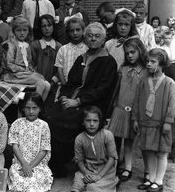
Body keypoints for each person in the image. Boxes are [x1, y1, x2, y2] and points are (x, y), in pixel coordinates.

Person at [43, 22, 117, 177]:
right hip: (71, 101)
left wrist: (77, 102)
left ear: (103, 40)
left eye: (97, 36)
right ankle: (49, 159)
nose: (93, 39)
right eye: (90, 36)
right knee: (46, 115)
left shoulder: (108, 61)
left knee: (56, 122)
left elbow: (101, 91)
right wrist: (63, 96)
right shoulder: (81, 58)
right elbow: (69, 83)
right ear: (85, 38)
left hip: (92, 106)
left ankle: (58, 162)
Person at [133, 48, 175, 192]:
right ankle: (150, 178)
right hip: (146, 122)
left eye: (153, 61)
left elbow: (172, 104)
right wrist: (135, 119)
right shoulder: (143, 81)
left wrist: (168, 122)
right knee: (148, 151)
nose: (149, 64)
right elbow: (137, 101)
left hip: (161, 123)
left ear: (161, 63)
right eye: (147, 61)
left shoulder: (169, 83)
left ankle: (159, 180)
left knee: (161, 152)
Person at [107, 38, 148, 182]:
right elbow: (117, 90)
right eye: (127, 53)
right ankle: (120, 165)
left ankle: (138, 168)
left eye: (133, 52)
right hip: (121, 109)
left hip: (136, 112)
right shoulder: (123, 69)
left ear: (141, 51)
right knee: (119, 138)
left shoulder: (145, 71)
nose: (130, 55)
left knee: (134, 141)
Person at [8, 93, 53, 192]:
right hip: (20, 163)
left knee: (36, 179)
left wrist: (30, 166)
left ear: (40, 108)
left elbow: (44, 149)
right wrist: (24, 164)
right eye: (27, 108)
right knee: (18, 178)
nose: (31, 111)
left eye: (34, 108)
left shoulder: (44, 125)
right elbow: (15, 146)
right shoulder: (17, 124)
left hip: (37, 164)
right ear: (23, 108)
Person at [71, 106, 119, 192]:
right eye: (88, 120)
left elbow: (112, 158)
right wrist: (86, 173)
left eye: (95, 121)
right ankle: (92, 183)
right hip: (88, 168)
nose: (92, 124)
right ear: (82, 122)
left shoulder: (107, 135)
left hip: (105, 169)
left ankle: (113, 181)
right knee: (77, 184)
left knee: (92, 188)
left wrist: (99, 175)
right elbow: (79, 160)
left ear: (100, 121)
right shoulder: (79, 138)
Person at [1, 16, 50, 101]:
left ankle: (39, 109)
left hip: (23, 74)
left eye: (25, 30)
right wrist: (23, 69)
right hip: (12, 75)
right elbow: (9, 65)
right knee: (41, 82)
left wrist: (30, 69)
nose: (22, 33)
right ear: (13, 31)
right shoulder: (11, 44)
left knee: (47, 85)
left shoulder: (27, 45)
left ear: (28, 31)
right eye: (19, 30)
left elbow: (28, 62)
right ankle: (32, 105)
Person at [54, 15, 88, 85]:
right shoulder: (63, 49)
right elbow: (59, 69)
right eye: (72, 31)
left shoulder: (87, 49)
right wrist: (65, 86)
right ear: (68, 33)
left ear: (83, 30)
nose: (75, 33)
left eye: (78, 30)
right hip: (65, 85)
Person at [31, 14, 62, 84]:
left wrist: (54, 81)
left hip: (54, 84)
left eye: (49, 25)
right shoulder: (35, 45)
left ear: (53, 27)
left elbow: (60, 68)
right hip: (37, 82)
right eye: (43, 26)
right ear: (40, 28)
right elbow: (31, 64)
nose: (47, 28)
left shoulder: (58, 47)